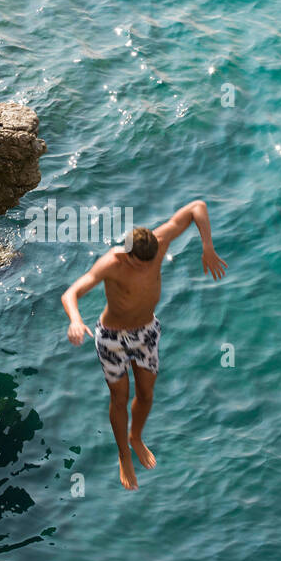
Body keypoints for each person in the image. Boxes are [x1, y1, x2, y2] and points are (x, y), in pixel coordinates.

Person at [61, 201, 226, 490]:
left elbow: (197, 207)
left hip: (146, 333)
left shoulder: (158, 243)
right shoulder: (111, 263)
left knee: (147, 394)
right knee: (120, 398)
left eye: (152, 263)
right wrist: (75, 320)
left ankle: (135, 437)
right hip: (113, 339)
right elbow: (72, 292)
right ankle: (124, 454)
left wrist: (207, 246)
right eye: (141, 264)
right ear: (127, 255)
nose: (148, 268)